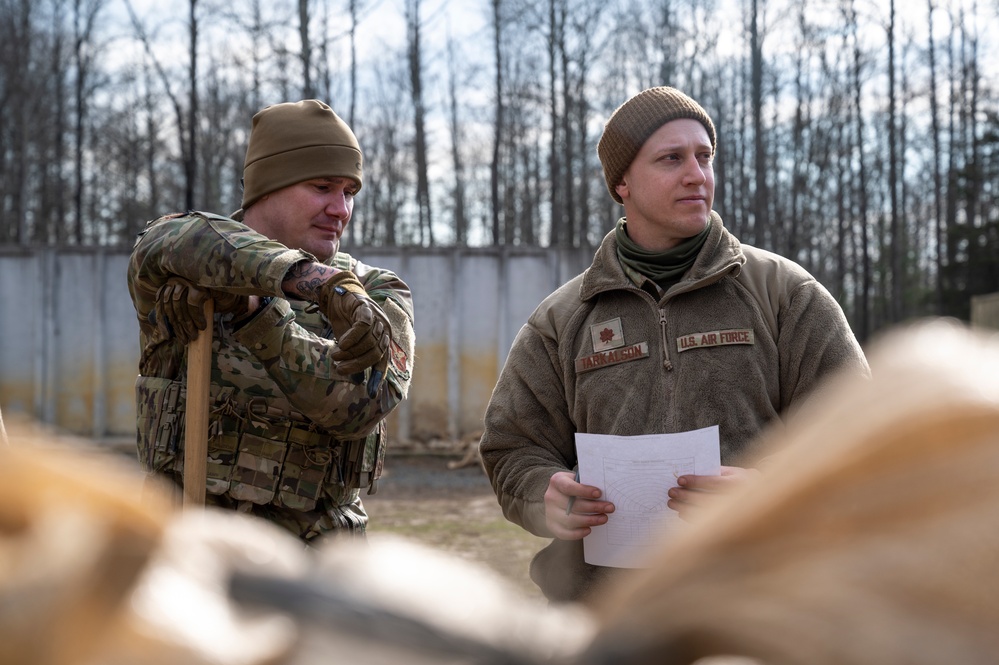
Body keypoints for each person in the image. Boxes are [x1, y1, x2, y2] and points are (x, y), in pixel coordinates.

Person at [479, 86, 869, 602]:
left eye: (704, 157)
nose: (697, 174)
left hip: (758, 604)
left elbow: (862, 436)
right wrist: (542, 493)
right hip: (606, 614)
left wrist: (772, 491)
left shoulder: (784, 294)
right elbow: (512, 446)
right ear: (622, 183)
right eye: (671, 159)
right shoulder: (564, 319)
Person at [127, 99, 415, 545]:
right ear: (266, 188)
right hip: (184, 555)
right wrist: (312, 280)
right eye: (322, 187)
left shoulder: (376, 291)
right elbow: (166, 238)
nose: (341, 209)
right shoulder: (187, 263)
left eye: (349, 192)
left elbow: (359, 404)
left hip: (317, 564)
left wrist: (258, 315)